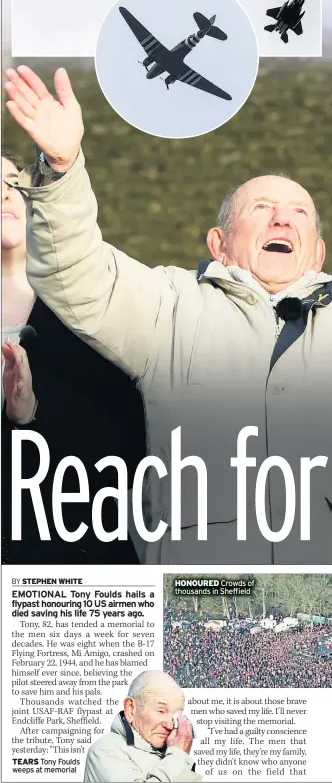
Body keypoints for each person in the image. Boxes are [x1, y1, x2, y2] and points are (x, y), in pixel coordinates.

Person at [4, 65, 332, 565]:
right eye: (261, 208)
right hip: (193, 599)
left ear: (318, 254)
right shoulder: (171, 306)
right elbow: (75, 272)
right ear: (218, 245)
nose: (282, 218)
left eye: (299, 212)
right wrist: (63, 167)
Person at [1, 149, 146, 564]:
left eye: (13, 182)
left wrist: (28, 418)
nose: (5, 195)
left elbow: (125, 456)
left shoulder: (97, 312)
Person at [84, 670, 201, 783]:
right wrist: (178, 756)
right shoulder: (104, 751)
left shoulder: (169, 754)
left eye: (176, 715)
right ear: (131, 709)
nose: (170, 725)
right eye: (161, 711)